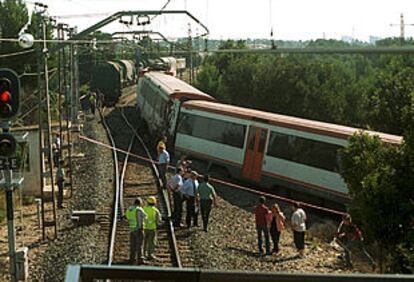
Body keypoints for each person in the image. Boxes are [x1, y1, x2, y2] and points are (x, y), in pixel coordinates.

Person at [125, 197, 147, 264]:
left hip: (132, 229)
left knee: (133, 245)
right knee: (139, 245)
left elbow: (127, 217)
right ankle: (140, 259)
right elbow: (145, 216)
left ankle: (132, 258)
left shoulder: (129, 209)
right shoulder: (139, 209)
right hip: (139, 229)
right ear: (140, 203)